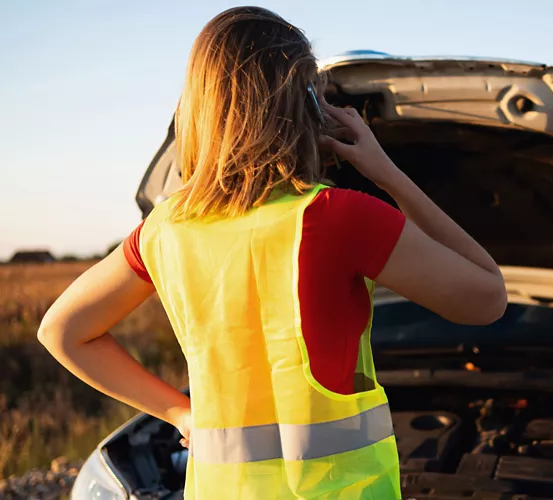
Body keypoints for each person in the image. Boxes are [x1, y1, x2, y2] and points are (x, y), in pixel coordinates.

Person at [38, 6, 507, 499]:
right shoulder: (337, 217)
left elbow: (62, 331)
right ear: (301, 104)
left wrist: (180, 412)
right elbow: (487, 297)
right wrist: (385, 171)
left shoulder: (164, 229)